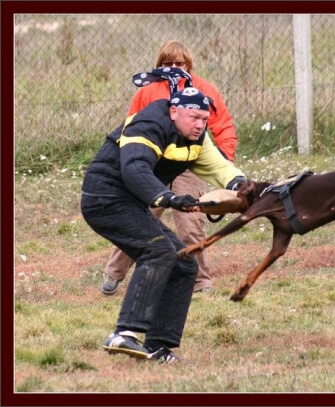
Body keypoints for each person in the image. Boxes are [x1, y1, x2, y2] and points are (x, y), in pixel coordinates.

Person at [81, 87, 246, 363]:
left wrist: (244, 188)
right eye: (194, 117)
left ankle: (158, 348)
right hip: (104, 198)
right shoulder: (148, 124)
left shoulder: (196, 138)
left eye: (204, 119)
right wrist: (168, 198)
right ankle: (125, 333)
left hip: (129, 201)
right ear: (174, 111)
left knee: (184, 263)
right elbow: (135, 168)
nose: (200, 124)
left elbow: (219, 167)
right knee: (158, 252)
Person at [101, 40, 238, 295]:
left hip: (188, 164)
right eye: (168, 63)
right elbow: (131, 128)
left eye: (179, 63)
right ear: (159, 65)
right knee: (140, 221)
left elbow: (223, 125)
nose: (174, 67)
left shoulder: (204, 89)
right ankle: (114, 273)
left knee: (191, 223)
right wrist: (132, 163)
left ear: (189, 64)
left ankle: (200, 281)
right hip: (155, 166)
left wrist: (224, 159)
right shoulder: (147, 92)